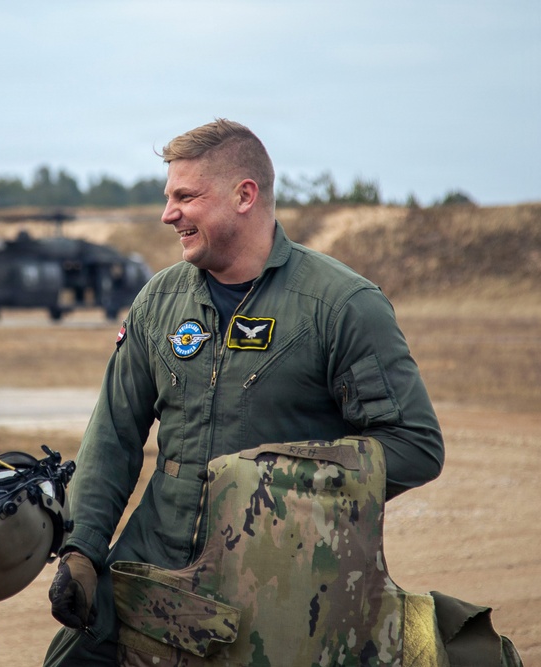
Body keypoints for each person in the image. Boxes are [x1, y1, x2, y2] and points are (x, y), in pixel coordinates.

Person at [44, 119, 444, 665]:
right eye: (169, 198)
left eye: (185, 197)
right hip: (152, 569)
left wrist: (276, 483)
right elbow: (113, 436)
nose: (168, 214)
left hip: (277, 585)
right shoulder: (159, 302)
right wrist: (83, 549)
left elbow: (415, 444)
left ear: (244, 196)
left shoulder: (340, 306)